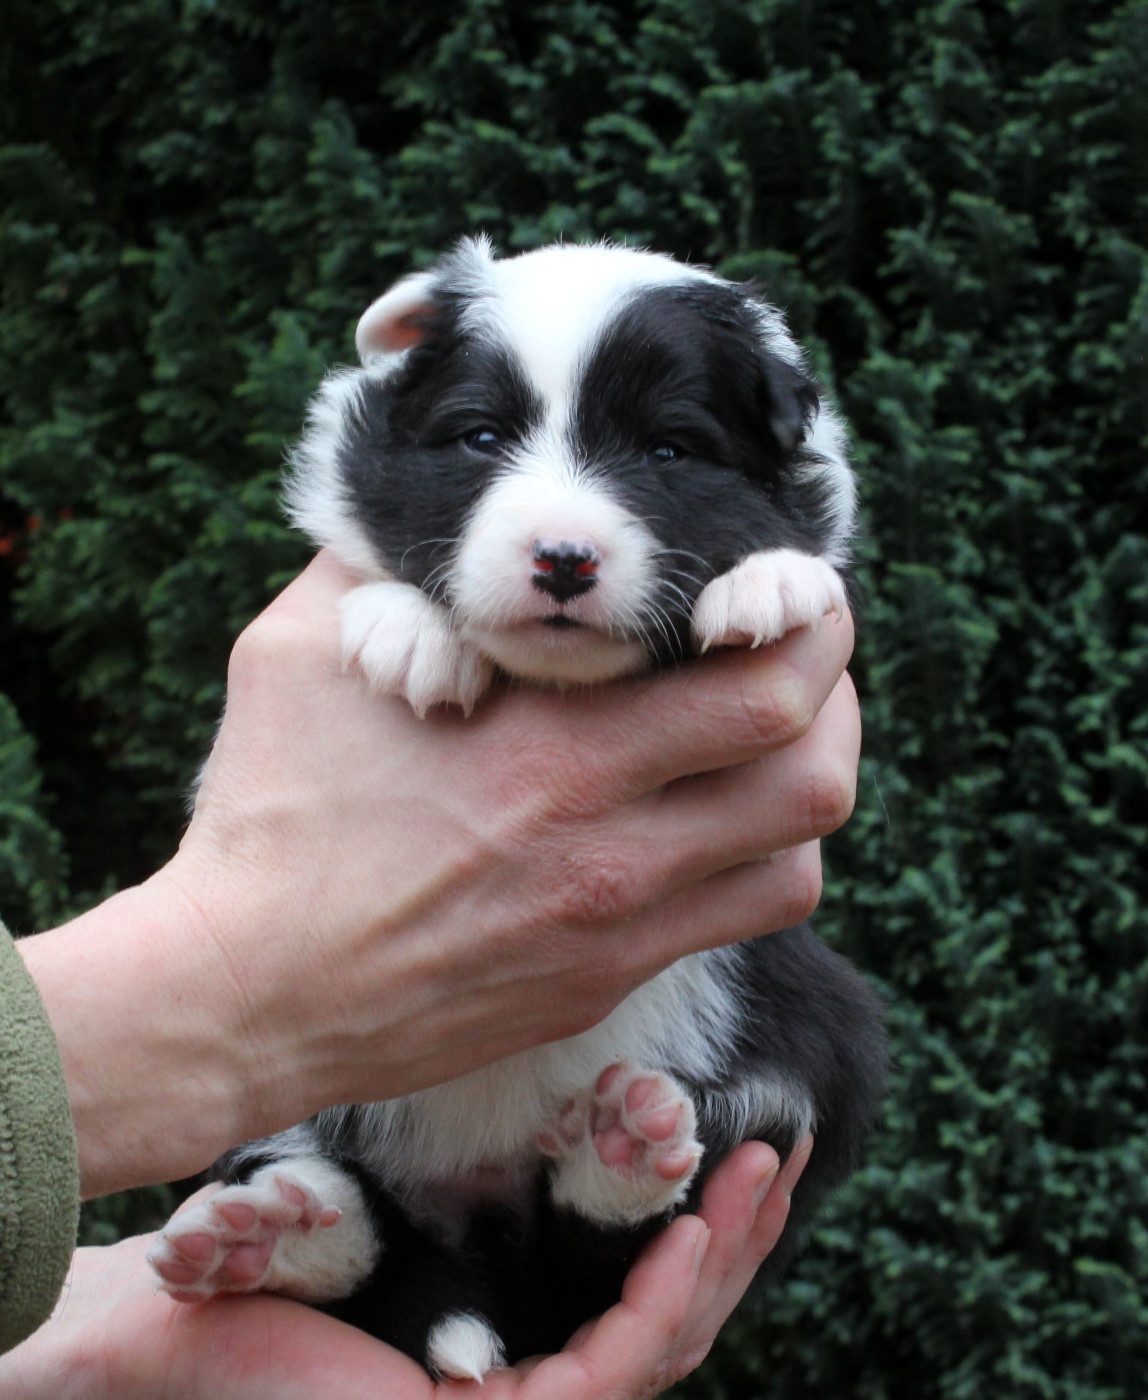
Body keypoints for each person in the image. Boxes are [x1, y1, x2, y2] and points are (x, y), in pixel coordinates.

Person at [1, 550, 858, 1394]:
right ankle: (358, 1243)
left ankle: (589, 1212)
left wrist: (87, 1332)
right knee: (285, 1151)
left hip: (650, 1121)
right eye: (483, 435)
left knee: (825, 1063)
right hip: (377, 1146)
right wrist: (233, 994)